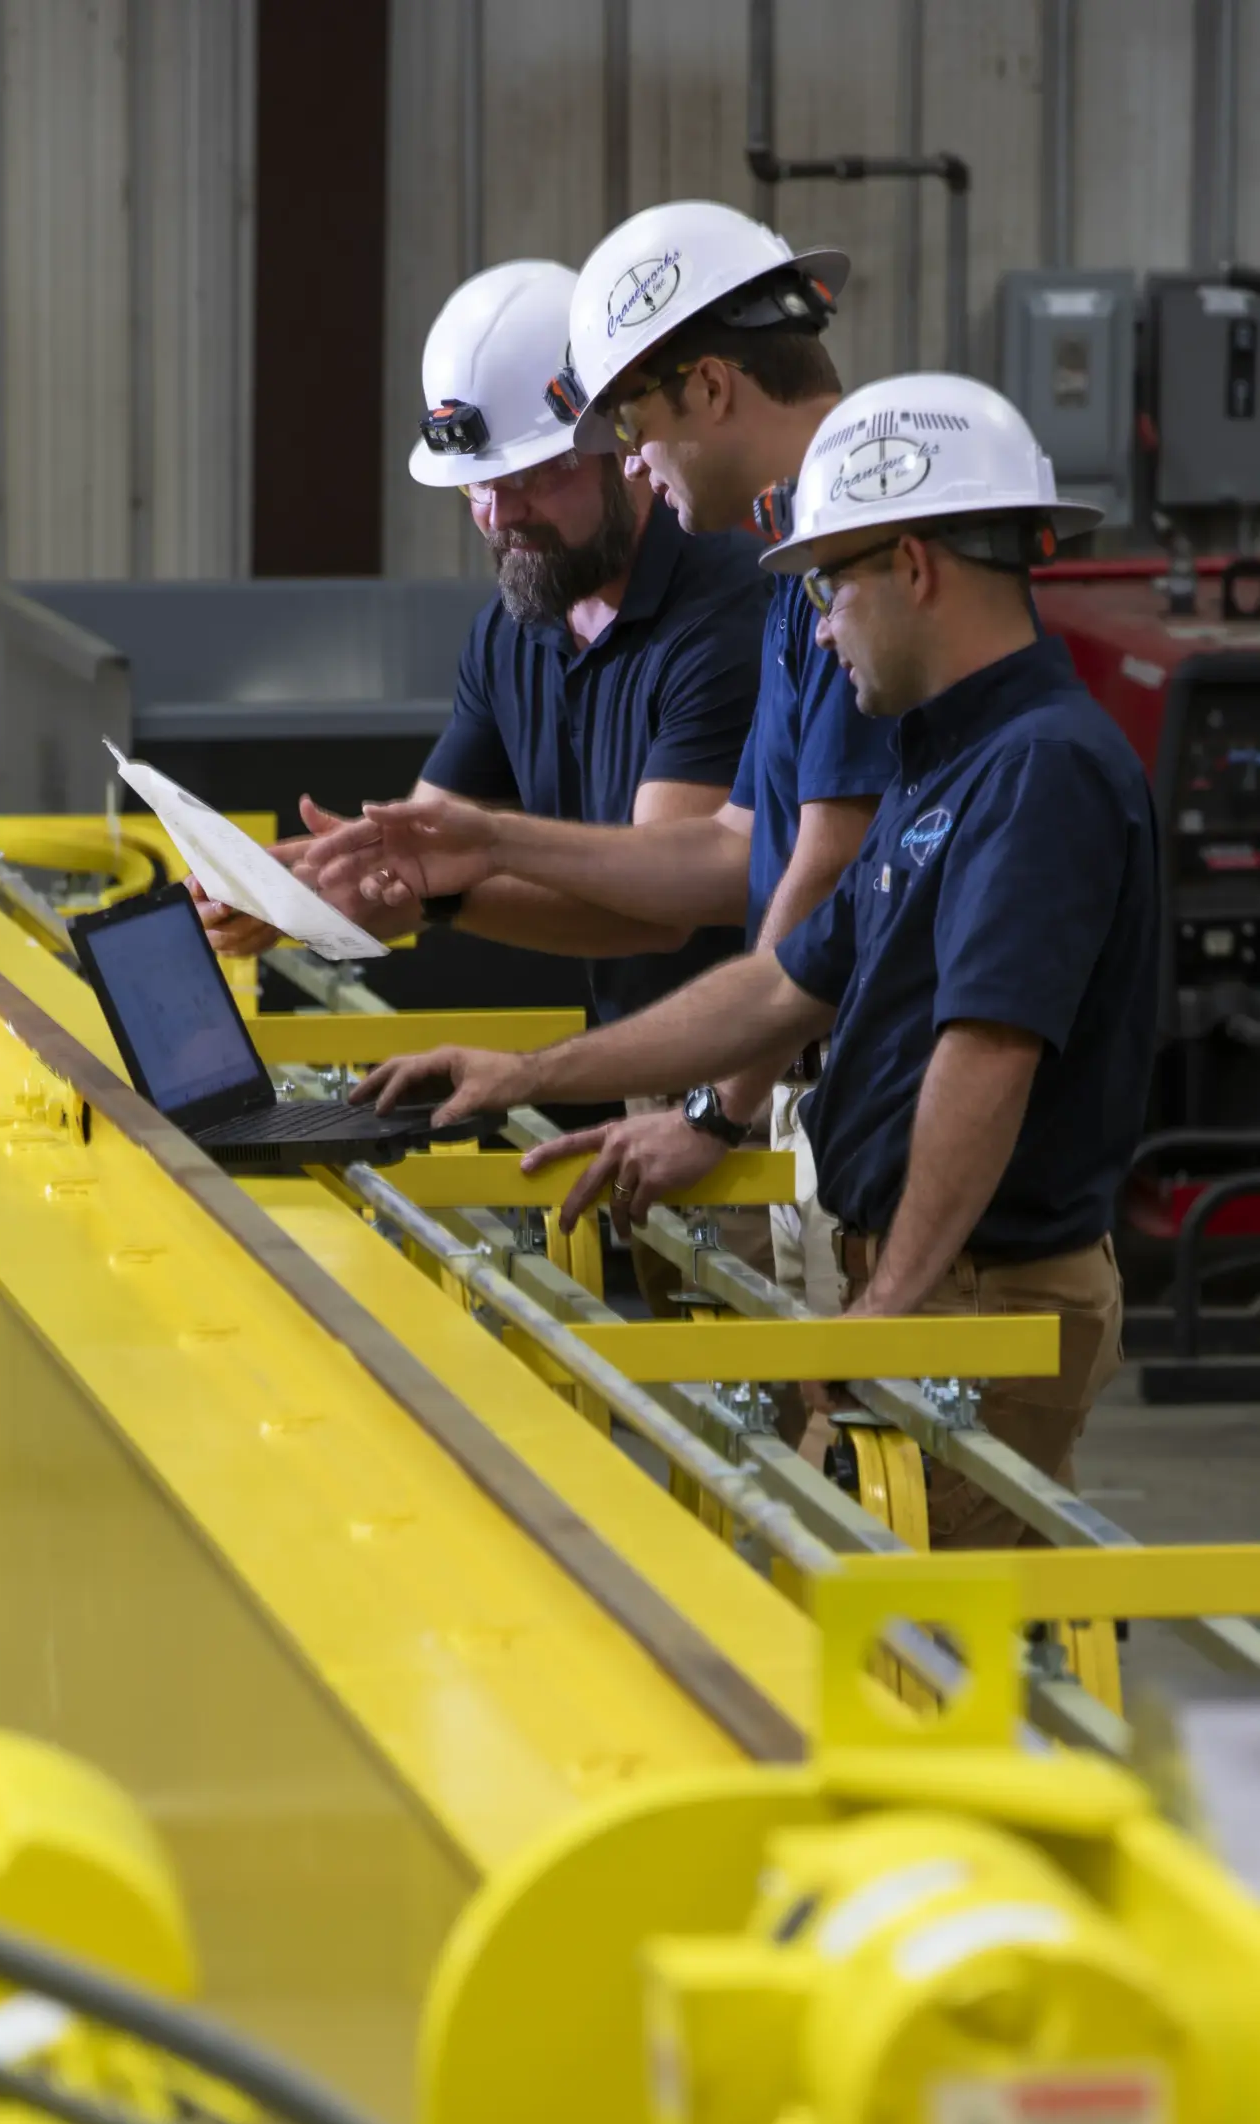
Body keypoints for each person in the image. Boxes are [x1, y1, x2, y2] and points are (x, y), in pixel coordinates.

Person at [350, 376, 1157, 1549]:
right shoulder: (950, 763)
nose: (820, 629)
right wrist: (528, 1073)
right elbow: (780, 984)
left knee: (875, 1664)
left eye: (832, 589)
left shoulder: (1040, 772)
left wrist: (883, 1314)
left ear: (917, 569)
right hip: (936, 1284)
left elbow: (987, 1055)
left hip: (981, 1295)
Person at [307, 203, 897, 1317]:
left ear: (712, 389)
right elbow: (738, 852)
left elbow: (794, 886)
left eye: (630, 420)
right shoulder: (798, 566)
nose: (627, 454)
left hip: (851, 1125)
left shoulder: (839, 560)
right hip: (792, 1115)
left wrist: (714, 1112)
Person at [198, 256, 769, 1290]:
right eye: (477, 487)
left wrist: (438, 898)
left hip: (755, 1094)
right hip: (653, 1079)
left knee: (784, 1414)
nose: (502, 514)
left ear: (619, 450)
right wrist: (291, 889)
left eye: (530, 478)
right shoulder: (516, 624)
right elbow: (417, 843)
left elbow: (660, 905)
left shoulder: (724, 615)